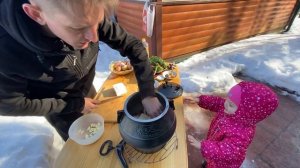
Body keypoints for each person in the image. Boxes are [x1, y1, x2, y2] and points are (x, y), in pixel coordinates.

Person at [0, 0, 161, 141]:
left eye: (97, 23)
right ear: (36, 14)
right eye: (78, 28)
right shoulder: (7, 51)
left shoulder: (85, 13)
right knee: (83, 149)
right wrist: (73, 105)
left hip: (85, 87)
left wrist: (147, 93)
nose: (94, 38)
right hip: (60, 106)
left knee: (101, 133)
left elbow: (133, 45)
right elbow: (9, 104)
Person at [184, 81, 279, 168]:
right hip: (215, 147)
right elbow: (218, 103)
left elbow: (228, 151)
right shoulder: (230, 109)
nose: (225, 104)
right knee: (211, 160)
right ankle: (208, 162)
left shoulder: (242, 132)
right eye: (227, 99)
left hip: (224, 164)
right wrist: (201, 100)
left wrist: (204, 146)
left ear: (245, 113)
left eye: (230, 104)